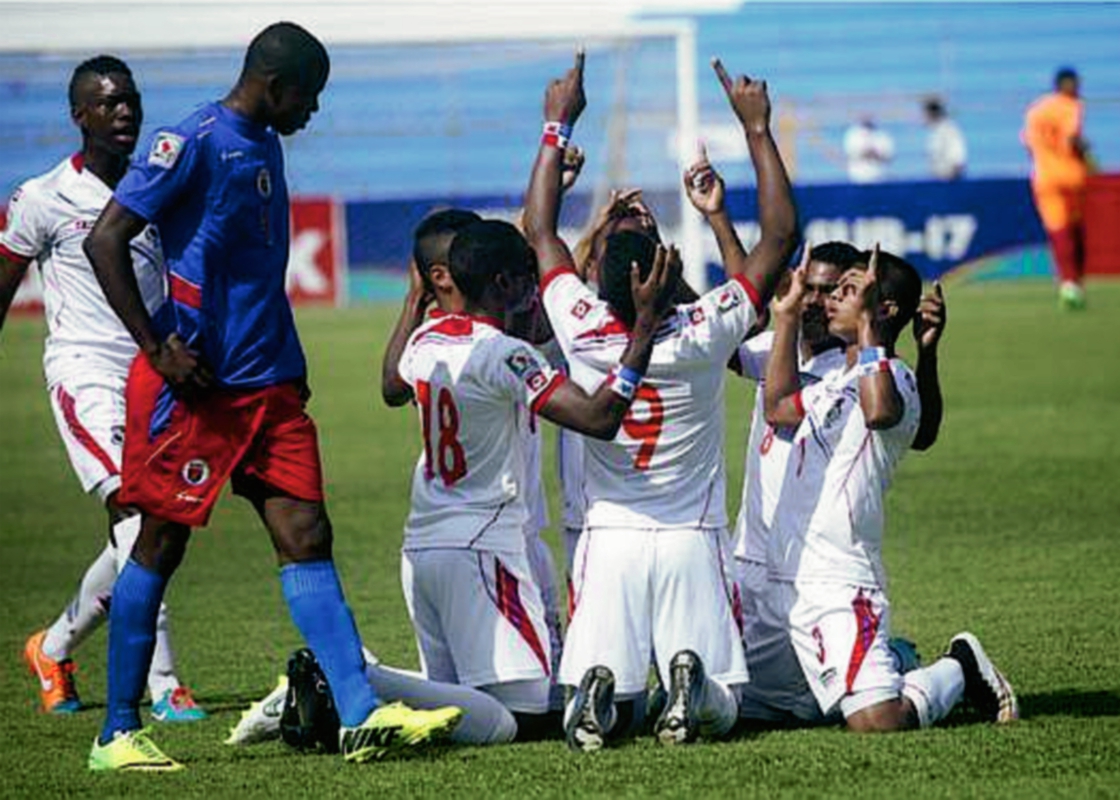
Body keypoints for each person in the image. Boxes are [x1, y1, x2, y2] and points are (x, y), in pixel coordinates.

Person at [82, 22, 461, 771]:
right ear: (274, 85)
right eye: (308, 99)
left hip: (270, 387)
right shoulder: (189, 142)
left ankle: (359, 714)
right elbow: (106, 239)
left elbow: (255, 271)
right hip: (201, 391)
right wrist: (159, 346)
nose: (312, 114)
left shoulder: (268, 142)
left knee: (307, 534)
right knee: (161, 543)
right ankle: (116, 732)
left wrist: (285, 358)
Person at [525, 52, 799, 751]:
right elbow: (779, 239)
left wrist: (557, 124)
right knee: (724, 704)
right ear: (668, 269)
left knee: (605, 705)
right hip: (689, 537)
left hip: (609, 538)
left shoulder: (582, 328)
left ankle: (597, 691)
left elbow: (541, 233)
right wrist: (758, 128)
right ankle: (693, 684)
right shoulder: (705, 334)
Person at [388, 217, 673, 738]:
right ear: (504, 284)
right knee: (524, 719)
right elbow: (598, 418)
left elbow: (391, 383)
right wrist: (645, 332)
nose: (535, 290)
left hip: (424, 547)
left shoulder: (427, 337)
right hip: (479, 548)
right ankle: (357, 677)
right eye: (527, 278)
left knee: (458, 704)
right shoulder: (505, 355)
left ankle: (352, 687)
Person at [0, 55, 205, 723]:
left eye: (130, 101)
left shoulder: (159, 187)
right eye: (107, 102)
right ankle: (164, 683)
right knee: (139, 519)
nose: (123, 112)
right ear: (79, 114)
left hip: (155, 377)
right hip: (85, 375)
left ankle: (53, 647)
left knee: (156, 527)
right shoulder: (42, 197)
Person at [759, 244, 1018, 733]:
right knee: (755, 710)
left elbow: (881, 413)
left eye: (849, 290)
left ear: (883, 306)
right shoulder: (837, 376)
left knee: (878, 722)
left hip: (839, 580)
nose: (832, 299)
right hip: (783, 581)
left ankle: (959, 666)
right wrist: (787, 317)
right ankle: (890, 660)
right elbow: (777, 409)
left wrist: (874, 331)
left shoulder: (892, 376)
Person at [1022, 67, 1090, 310]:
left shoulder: (1036, 109)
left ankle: (1068, 285)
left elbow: (1027, 144)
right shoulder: (1071, 105)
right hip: (1071, 176)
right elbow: (1073, 139)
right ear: (1068, 84)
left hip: (1045, 178)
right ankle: (1075, 283)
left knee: (1058, 232)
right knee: (1074, 231)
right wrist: (1086, 151)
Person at [923, 98, 967, 180]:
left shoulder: (949, 130)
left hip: (949, 181)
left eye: (925, 115)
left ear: (932, 114)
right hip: (937, 180)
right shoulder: (934, 133)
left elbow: (958, 160)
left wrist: (953, 183)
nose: (924, 118)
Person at [843, 116, 894, 184]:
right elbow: (850, 154)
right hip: (858, 178)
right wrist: (865, 153)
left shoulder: (883, 136)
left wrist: (876, 154)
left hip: (880, 177)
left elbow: (889, 157)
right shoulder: (852, 135)